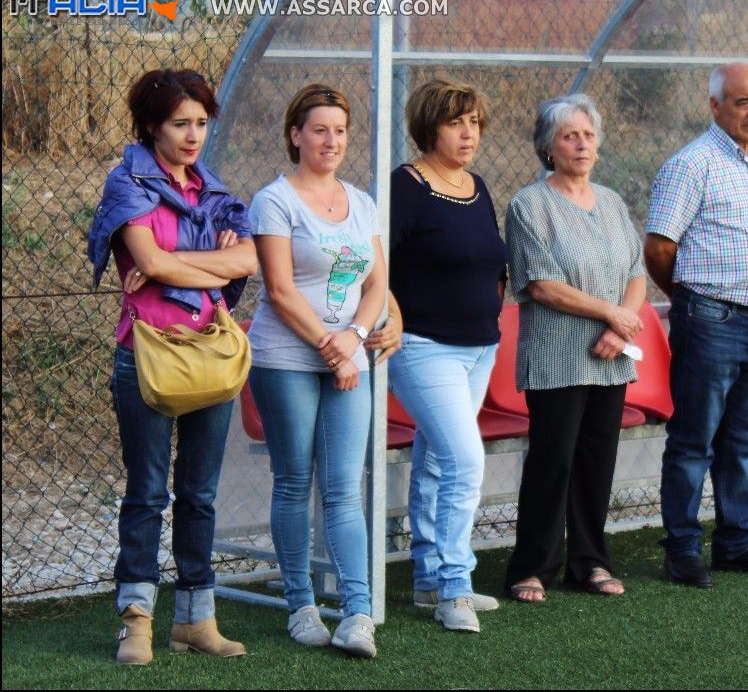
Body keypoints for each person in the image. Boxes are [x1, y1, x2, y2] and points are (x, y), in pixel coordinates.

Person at [87, 68, 257, 665]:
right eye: (180, 123)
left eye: (202, 123)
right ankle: (136, 622)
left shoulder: (211, 187)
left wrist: (171, 263)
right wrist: (209, 262)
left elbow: (249, 259)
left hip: (210, 351)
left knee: (200, 494)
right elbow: (150, 260)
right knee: (146, 492)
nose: (193, 136)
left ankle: (195, 619)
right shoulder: (127, 182)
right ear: (153, 125)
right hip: (147, 356)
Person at [246, 84, 387, 657]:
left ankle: (357, 614)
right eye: (320, 130)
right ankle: (301, 606)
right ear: (295, 135)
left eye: (340, 131)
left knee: (342, 490)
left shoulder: (362, 200)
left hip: (349, 357)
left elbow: (376, 282)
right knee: (293, 482)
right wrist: (333, 352)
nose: (331, 141)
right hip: (286, 359)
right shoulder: (273, 200)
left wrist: (352, 341)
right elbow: (279, 289)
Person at [644, 63, 748, 588]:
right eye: (741, 102)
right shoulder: (691, 164)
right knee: (693, 440)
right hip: (710, 319)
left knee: (743, 441)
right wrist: (693, 303)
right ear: (714, 105)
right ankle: (683, 548)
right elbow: (660, 249)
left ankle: (735, 544)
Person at [503, 94, 646, 603]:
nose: (581, 144)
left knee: (595, 462)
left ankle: (590, 562)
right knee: (553, 462)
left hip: (610, 358)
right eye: (569, 136)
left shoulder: (610, 202)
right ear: (548, 147)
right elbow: (541, 284)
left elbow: (636, 273)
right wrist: (609, 314)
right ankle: (532, 567)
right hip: (556, 359)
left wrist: (621, 328)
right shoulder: (529, 205)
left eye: (587, 135)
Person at [388, 78, 508, 633]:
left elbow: (492, 262)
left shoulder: (476, 186)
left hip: (479, 346)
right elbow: (375, 266)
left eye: (475, 122)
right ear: (429, 126)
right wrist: (391, 316)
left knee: (438, 461)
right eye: (456, 122)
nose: (468, 133)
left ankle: (430, 578)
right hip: (422, 346)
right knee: (465, 461)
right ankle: (457, 586)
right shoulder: (406, 187)